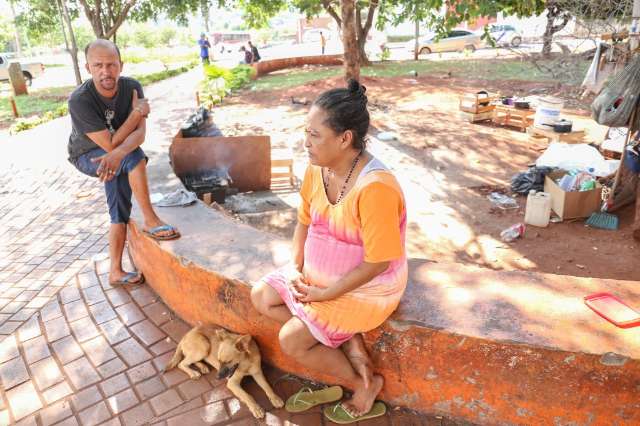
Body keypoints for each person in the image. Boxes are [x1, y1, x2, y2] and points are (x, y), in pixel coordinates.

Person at [251, 79, 408, 419]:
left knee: (291, 341)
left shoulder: (376, 187)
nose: (305, 143)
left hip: (366, 289)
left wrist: (326, 295)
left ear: (345, 138)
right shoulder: (316, 169)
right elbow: (304, 221)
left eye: (314, 135)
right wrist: (295, 268)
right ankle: (346, 339)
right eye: (305, 132)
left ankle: (363, 382)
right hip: (318, 281)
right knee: (260, 297)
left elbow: (379, 262)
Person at [67, 39, 180, 286]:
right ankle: (151, 220)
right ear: (88, 68)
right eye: (98, 65)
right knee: (133, 156)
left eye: (111, 65)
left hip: (116, 153)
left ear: (121, 65)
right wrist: (137, 112)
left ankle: (115, 272)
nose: (105, 71)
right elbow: (109, 143)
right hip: (87, 154)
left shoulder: (132, 87)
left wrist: (118, 152)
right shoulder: (79, 100)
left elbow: (140, 134)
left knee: (118, 209)